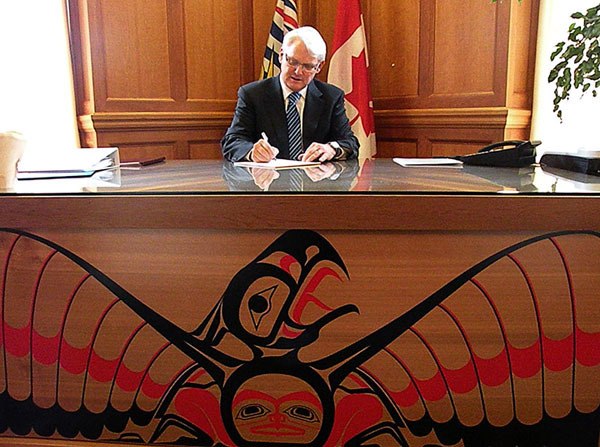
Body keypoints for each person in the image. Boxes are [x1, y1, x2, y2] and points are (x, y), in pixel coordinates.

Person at [221, 26, 359, 163]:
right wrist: (252, 152)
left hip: (315, 182)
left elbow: (350, 143)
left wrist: (331, 149)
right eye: (293, 62)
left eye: (308, 66)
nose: (298, 71)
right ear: (281, 56)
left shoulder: (331, 97)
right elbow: (232, 141)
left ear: (319, 66)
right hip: (268, 182)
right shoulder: (253, 95)